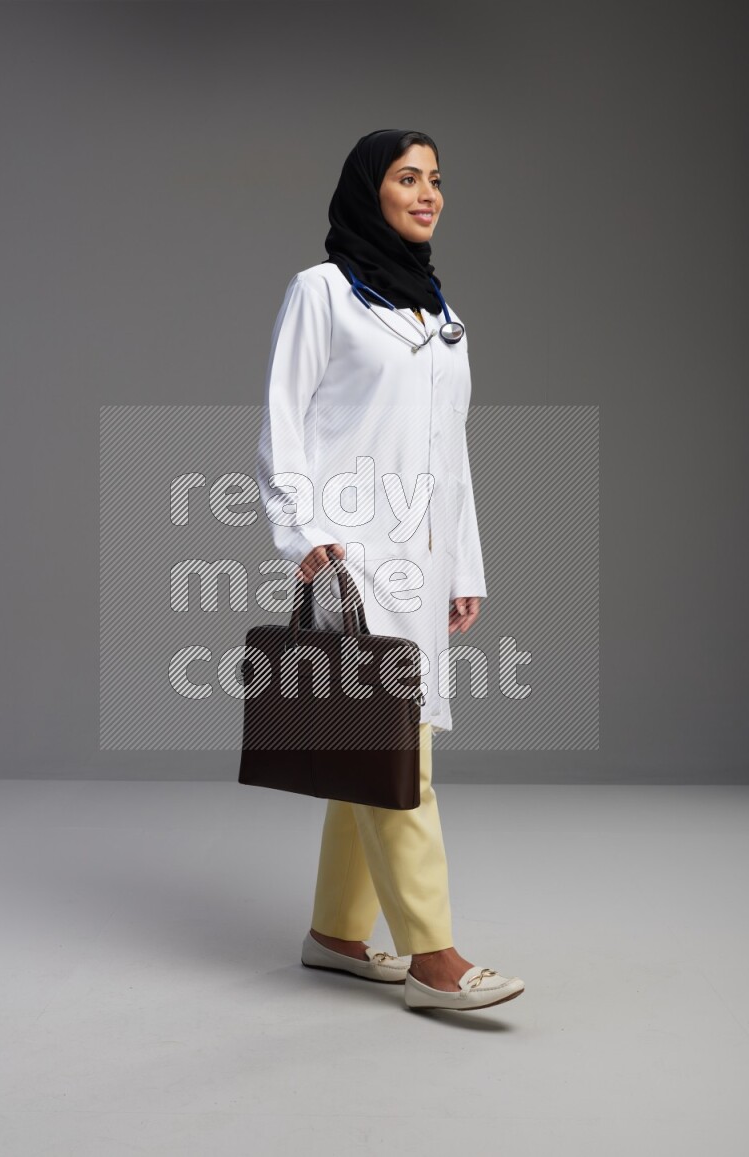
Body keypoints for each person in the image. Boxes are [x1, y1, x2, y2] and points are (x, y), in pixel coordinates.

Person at [257, 129, 524, 1011]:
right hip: (354, 561)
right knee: (398, 754)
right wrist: (301, 538)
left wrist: (465, 564)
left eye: (437, 179)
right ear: (369, 190)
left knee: (370, 743)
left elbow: (454, 453)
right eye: (408, 178)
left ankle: (335, 934)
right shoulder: (323, 293)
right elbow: (281, 424)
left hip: (424, 557)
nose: (428, 193)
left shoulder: (436, 312)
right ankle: (434, 957)